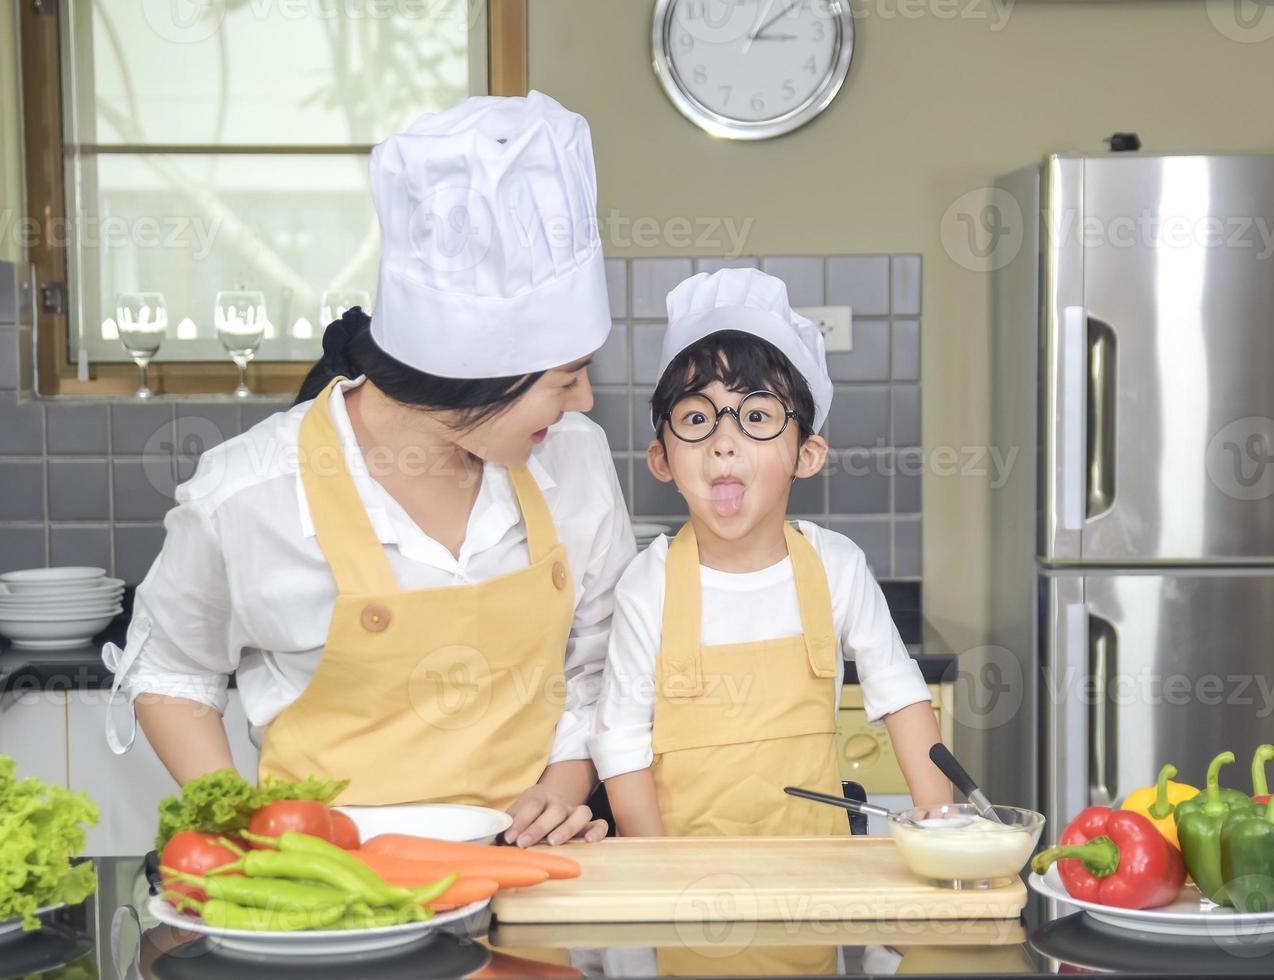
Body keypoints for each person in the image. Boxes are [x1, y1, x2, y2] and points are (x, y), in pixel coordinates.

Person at [102, 91, 636, 848]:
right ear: (475, 377)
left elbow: (592, 662)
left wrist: (560, 788)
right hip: (331, 893)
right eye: (565, 376)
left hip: (531, 872)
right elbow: (172, 671)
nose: (582, 399)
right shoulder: (249, 494)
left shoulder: (574, 456)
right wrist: (242, 824)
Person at [592, 268, 953, 839]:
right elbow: (620, 743)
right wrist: (654, 870)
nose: (724, 441)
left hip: (817, 882)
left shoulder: (836, 567)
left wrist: (942, 826)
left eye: (756, 416)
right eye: (695, 418)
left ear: (807, 454)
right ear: (662, 459)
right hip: (686, 893)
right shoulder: (649, 582)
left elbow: (903, 697)